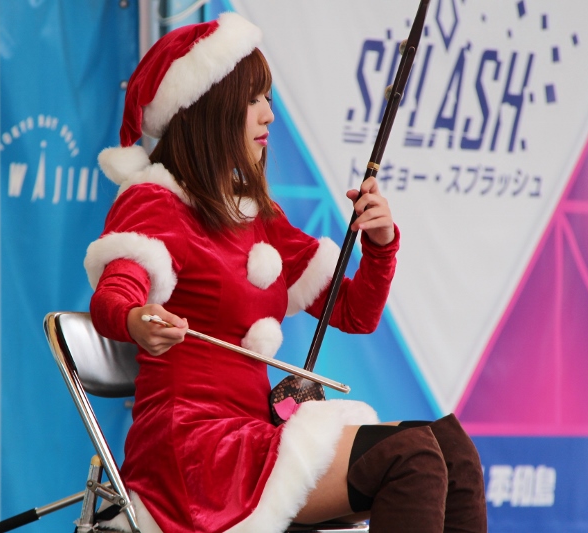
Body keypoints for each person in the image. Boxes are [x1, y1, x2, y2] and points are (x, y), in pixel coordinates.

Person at [84, 12, 486, 533]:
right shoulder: (156, 202)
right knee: (410, 456)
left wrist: (380, 244)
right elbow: (114, 294)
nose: (269, 115)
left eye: (268, 99)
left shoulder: (256, 215)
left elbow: (354, 313)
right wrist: (136, 318)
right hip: (194, 454)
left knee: (453, 451)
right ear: (207, 106)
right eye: (253, 100)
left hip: (252, 436)